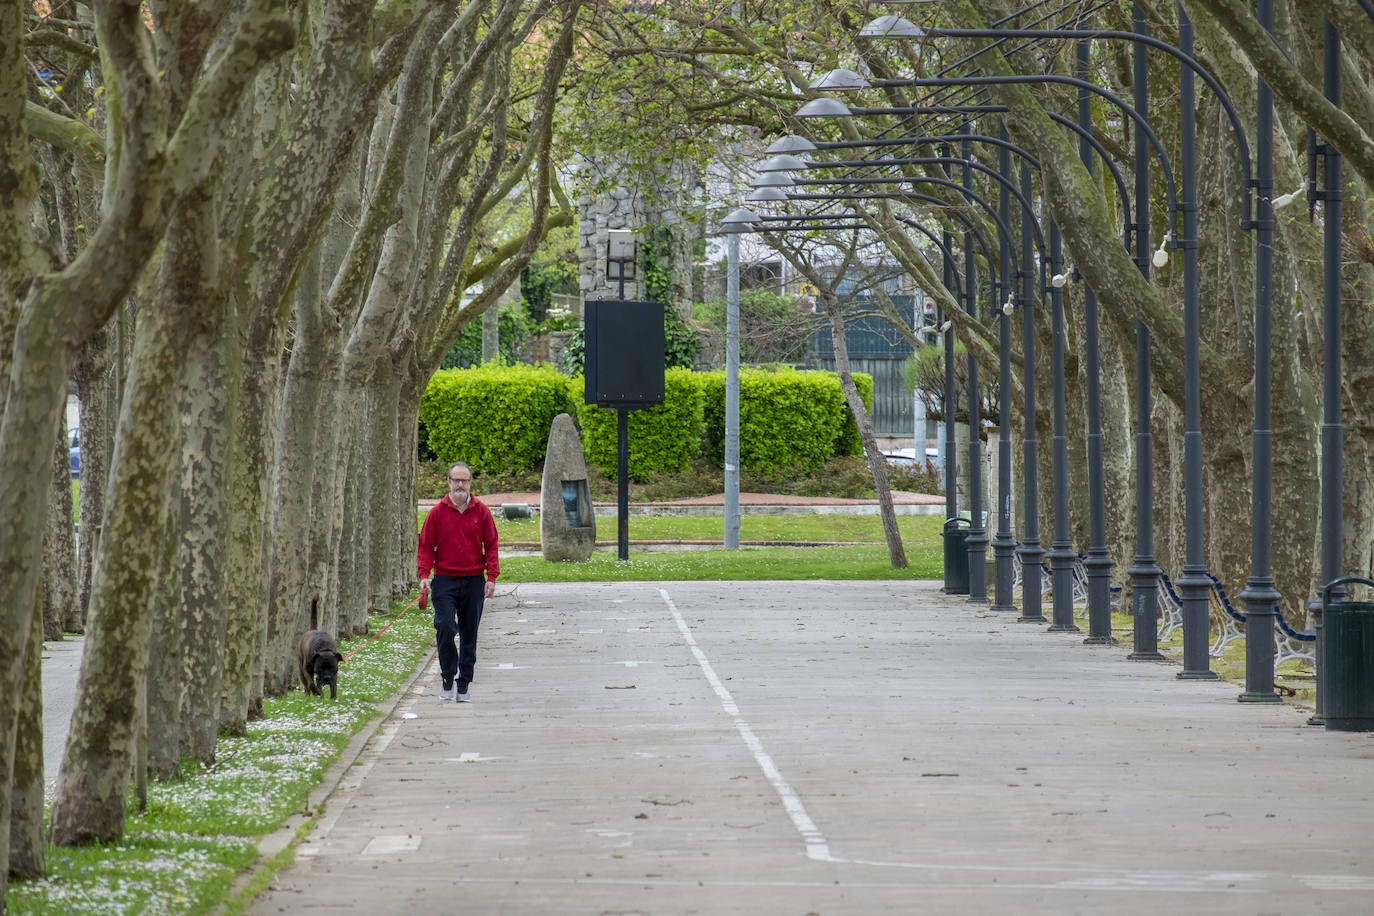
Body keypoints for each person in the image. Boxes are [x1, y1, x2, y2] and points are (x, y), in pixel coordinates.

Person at [417, 461, 499, 702]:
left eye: (464, 480)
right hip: (445, 580)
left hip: (474, 581)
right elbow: (425, 547)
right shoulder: (437, 513)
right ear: (449, 482)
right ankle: (447, 676)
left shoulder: (482, 511)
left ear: (470, 483)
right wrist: (424, 576)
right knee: (444, 626)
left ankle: (463, 683)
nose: (460, 484)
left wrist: (491, 577)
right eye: (456, 480)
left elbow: (491, 545)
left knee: (468, 633)